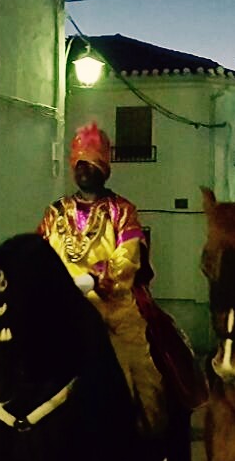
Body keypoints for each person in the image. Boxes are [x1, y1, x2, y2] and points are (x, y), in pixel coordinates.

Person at [40, 123, 202, 436]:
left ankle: (150, 435)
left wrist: (93, 280)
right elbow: (39, 254)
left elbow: (128, 257)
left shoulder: (122, 210)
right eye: (80, 164)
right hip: (61, 307)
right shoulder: (54, 213)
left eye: (93, 164)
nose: (85, 170)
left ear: (105, 168)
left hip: (114, 307)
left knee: (143, 370)